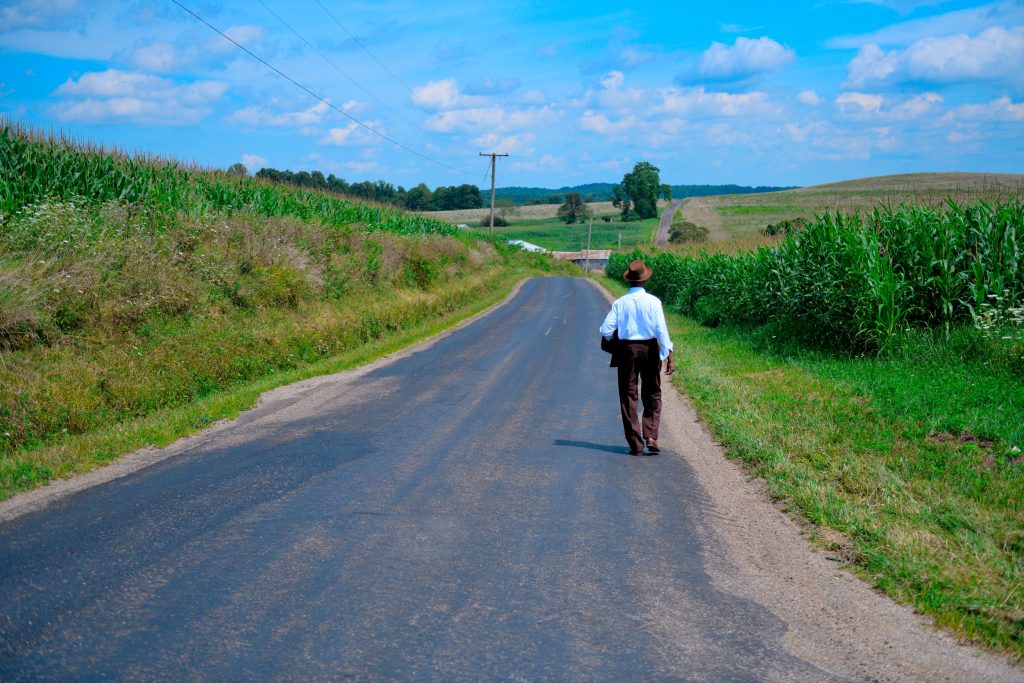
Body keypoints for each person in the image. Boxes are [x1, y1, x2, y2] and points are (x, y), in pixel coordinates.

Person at [599, 259, 675, 455]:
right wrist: (669, 355)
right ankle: (650, 436)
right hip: (650, 348)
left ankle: (635, 443)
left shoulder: (620, 303)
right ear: (645, 280)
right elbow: (661, 330)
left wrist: (616, 342)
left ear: (629, 280)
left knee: (628, 395)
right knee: (652, 392)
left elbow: (605, 329)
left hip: (627, 350)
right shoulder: (654, 302)